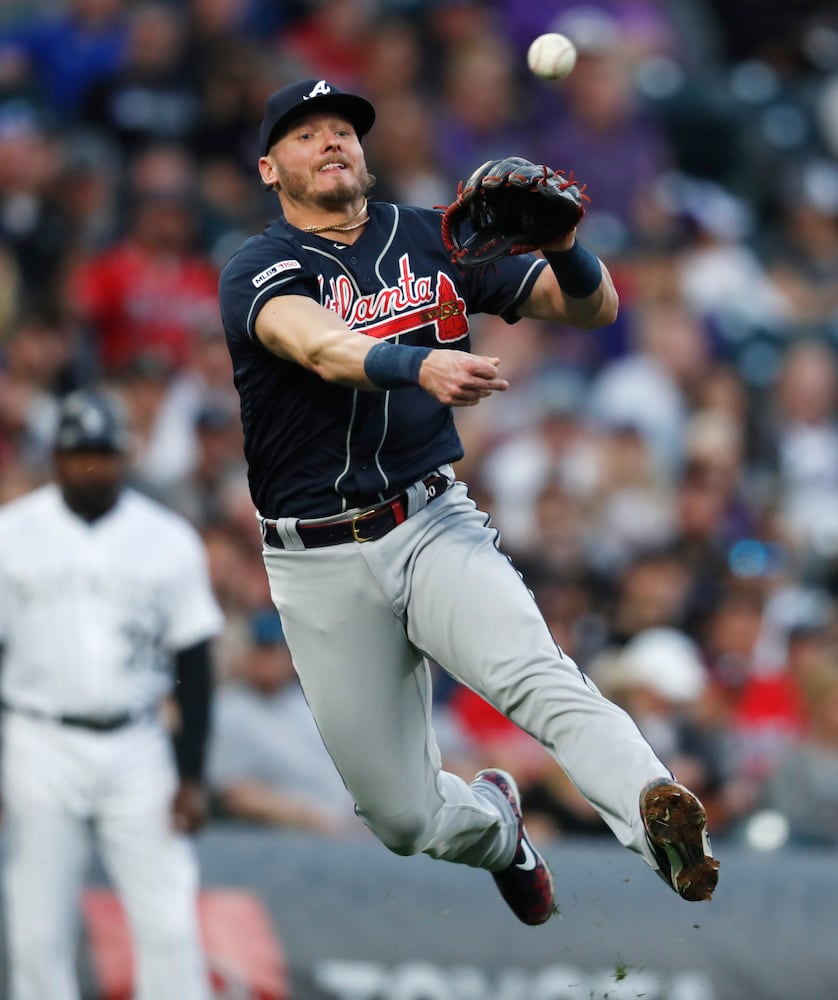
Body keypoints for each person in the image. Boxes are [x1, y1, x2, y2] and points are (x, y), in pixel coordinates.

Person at [217, 77, 720, 926]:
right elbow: (317, 343)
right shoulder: (260, 267)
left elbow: (594, 309)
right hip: (318, 562)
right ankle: (501, 833)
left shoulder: (427, 238)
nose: (332, 141)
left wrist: (565, 247)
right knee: (402, 817)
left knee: (534, 674)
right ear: (271, 167)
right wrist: (417, 363)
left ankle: (656, 813)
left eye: (344, 128)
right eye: (306, 135)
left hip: (429, 523)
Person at [0, 388, 223, 1000]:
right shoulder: (11, 534)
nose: (89, 466)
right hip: (37, 737)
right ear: (56, 458)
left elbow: (195, 660)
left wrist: (192, 772)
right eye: (77, 454)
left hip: (138, 740)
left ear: (125, 455)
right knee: (37, 925)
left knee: (170, 918)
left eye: (101, 453)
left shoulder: (167, 537)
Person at [207, 606, 363, 835]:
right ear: (244, 653)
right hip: (283, 842)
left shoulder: (305, 703)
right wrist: (308, 817)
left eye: (278, 650)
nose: (270, 660)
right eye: (262, 649)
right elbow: (235, 793)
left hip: (347, 833)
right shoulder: (228, 709)